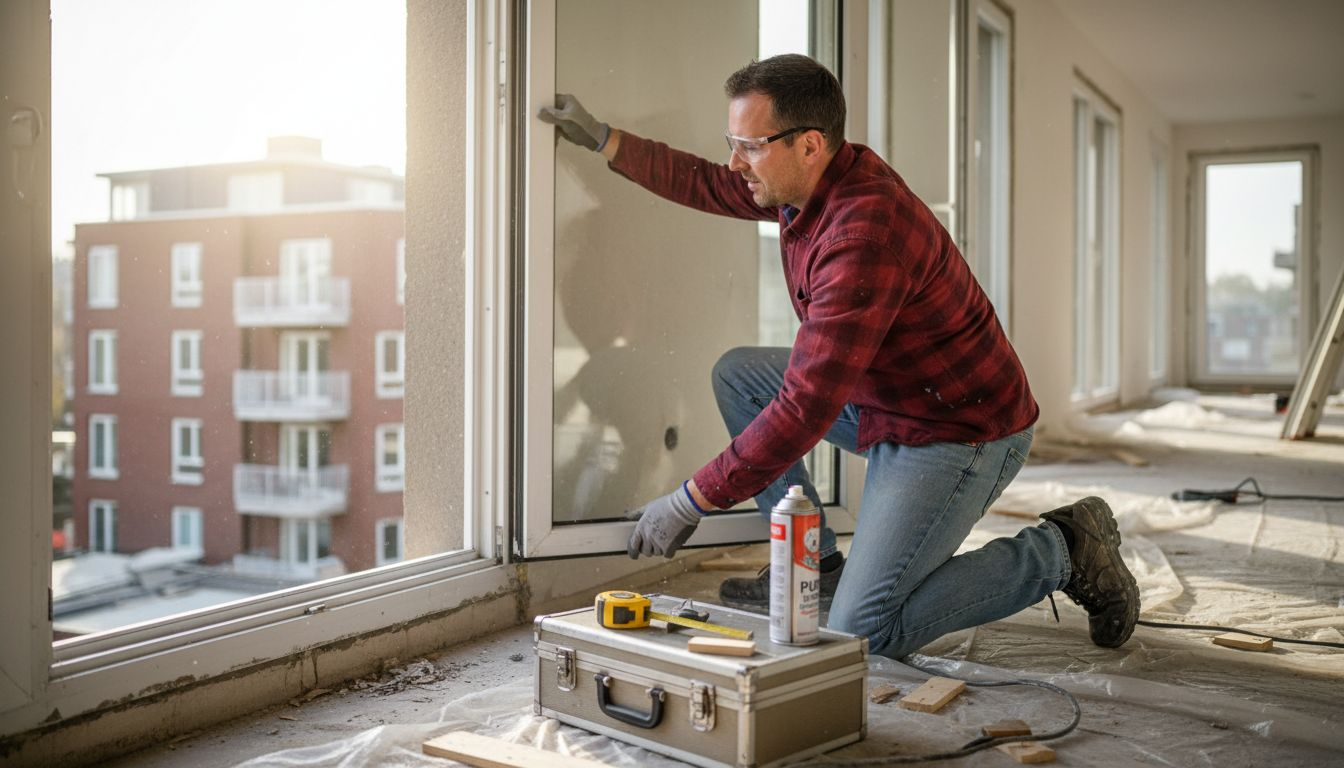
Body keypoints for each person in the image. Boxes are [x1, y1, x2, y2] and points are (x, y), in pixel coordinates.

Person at [539, 54, 1140, 658]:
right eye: (732, 141)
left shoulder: (862, 234)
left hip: (958, 430)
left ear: (809, 144)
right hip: (892, 395)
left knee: (866, 633)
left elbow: (804, 409)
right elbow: (709, 183)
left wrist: (692, 498)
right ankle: (818, 568)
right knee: (741, 376)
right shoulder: (813, 179)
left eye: (748, 146)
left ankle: (1063, 549)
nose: (734, 162)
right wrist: (604, 140)